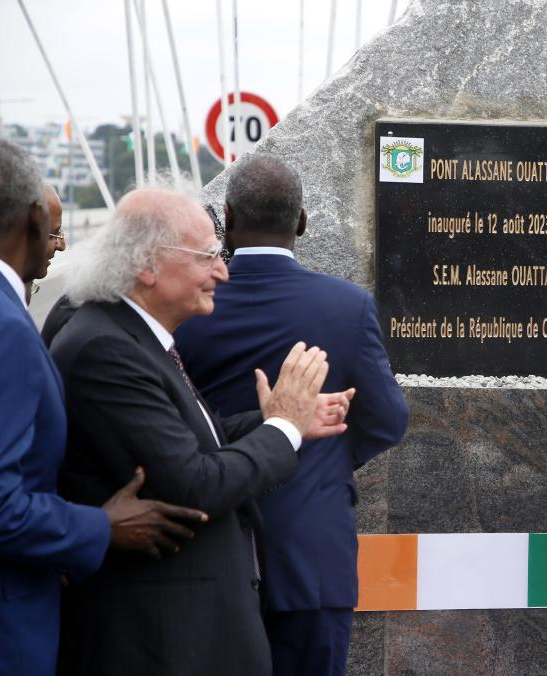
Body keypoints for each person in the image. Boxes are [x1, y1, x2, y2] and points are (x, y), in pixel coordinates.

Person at [47, 187, 351, 676]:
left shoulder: (130, 336)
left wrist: (274, 419)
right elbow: (194, 483)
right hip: (159, 642)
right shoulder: (107, 349)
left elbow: (186, 442)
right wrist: (282, 428)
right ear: (147, 265)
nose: (222, 273)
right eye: (207, 257)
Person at [175, 154, 409, 676]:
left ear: (227, 217)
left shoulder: (190, 304)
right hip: (311, 555)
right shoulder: (348, 306)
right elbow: (389, 420)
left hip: (209, 552)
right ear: (301, 221)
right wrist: (324, 451)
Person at [0, 137, 209, 675]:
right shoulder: (1, 325)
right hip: (2, 631)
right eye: (52, 229)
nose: (59, 244)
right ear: (34, 219)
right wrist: (99, 527)